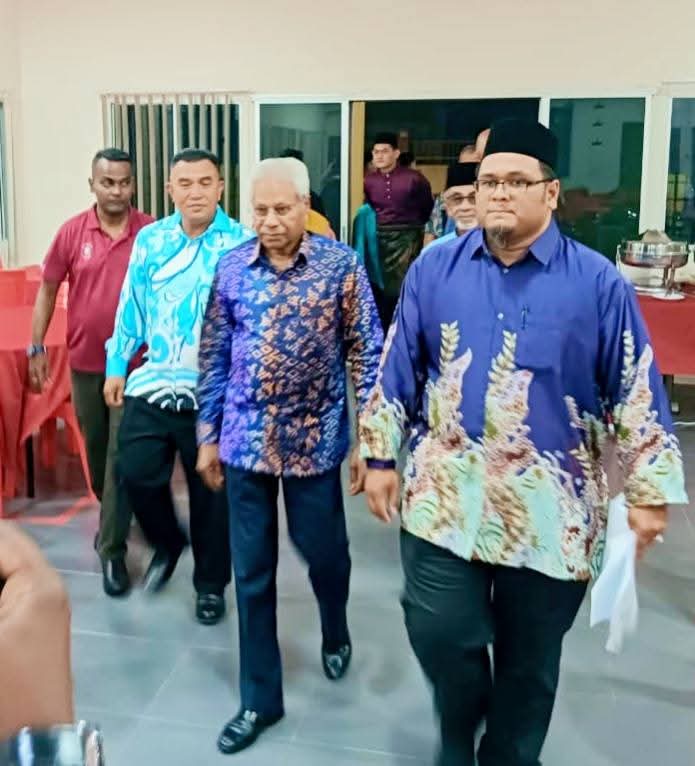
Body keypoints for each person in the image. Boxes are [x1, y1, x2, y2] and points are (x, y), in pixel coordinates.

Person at [360, 118, 687, 766]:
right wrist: (377, 454)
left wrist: (649, 493)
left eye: (516, 181)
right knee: (437, 629)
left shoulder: (596, 283)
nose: (499, 194)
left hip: (551, 512)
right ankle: (459, 730)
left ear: (551, 192)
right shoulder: (435, 269)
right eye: (489, 182)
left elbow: (634, 385)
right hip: (445, 496)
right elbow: (397, 365)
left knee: (528, 664)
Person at [195, 157, 383, 754]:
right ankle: (259, 699)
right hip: (244, 440)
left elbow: (367, 354)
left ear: (306, 207)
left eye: (282, 209)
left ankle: (335, 624)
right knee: (250, 573)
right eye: (260, 210)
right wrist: (207, 434)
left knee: (323, 552)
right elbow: (214, 355)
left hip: (314, 441)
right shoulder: (232, 267)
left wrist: (371, 441)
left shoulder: (340, 267)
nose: (270, 221)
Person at [104, 148, 253, 626]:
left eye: (205, 182)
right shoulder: (151, 240)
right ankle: (168, 542)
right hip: (153, 382)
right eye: (185, 183)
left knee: (212, 495)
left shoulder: (241, 244)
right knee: (134, 470)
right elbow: (131, 303)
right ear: (170, 189)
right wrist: (117, 362)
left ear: (220, 187)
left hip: (214, 394)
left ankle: (210, 586)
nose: (196, 192)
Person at [29, 148, 153, 598]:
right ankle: (118, 512)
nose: (117, 191)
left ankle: (112, 550)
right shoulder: (71, 232)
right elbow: (47, 290)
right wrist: (37, 345)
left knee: (119, 454)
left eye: (124, 182)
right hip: (85, 364)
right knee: (99, 455)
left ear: (133, 184)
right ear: (92, 185)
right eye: (108, 182)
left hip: (136, 367)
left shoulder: (151, 233)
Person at [364, 131, 433, 330]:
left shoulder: (414, 178)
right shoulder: (368, 181)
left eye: (384, 151)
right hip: (380, 238)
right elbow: (370, 208)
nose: (379, 156)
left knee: (404, 284)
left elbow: (427, 206)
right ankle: (386, 327)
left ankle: (406, 326)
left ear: (396, 153)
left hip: (408, 236)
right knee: (380, 285)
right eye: (376, 152)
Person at [421, 162, 478, 255]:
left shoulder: (500, 251)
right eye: (457, 199)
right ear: (447, 206)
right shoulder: (433, 252)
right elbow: (430, 233)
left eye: (473, 198)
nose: (465, 207)